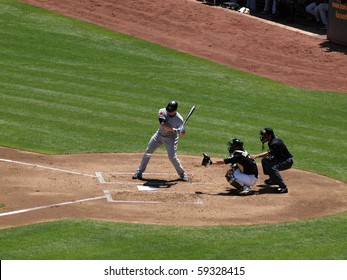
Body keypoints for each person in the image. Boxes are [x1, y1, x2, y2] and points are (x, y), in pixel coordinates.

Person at [132, 100, 189, 181]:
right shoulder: (162, 111)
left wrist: (181, 130)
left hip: (171, 138)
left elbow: (182, 134)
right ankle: (139, 172)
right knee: (148, 152)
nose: (168, 112)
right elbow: (163, 125)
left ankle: (182, 174)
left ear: (175, 110)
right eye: (168, 110)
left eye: (171, 111)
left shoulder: (179, 119)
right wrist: (175, 129)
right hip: (159, 136)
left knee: (172, 157)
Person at [252, 128, 293, 193]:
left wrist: (257, 156)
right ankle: (273, 179)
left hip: (287, 161)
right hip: (280, 159)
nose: (263, 137)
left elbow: (268, 153)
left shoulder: (274, 143)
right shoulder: (271, 141)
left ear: (269, 136)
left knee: (272, 167)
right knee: (265, 160)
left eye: (265, 135)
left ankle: (283, 187)